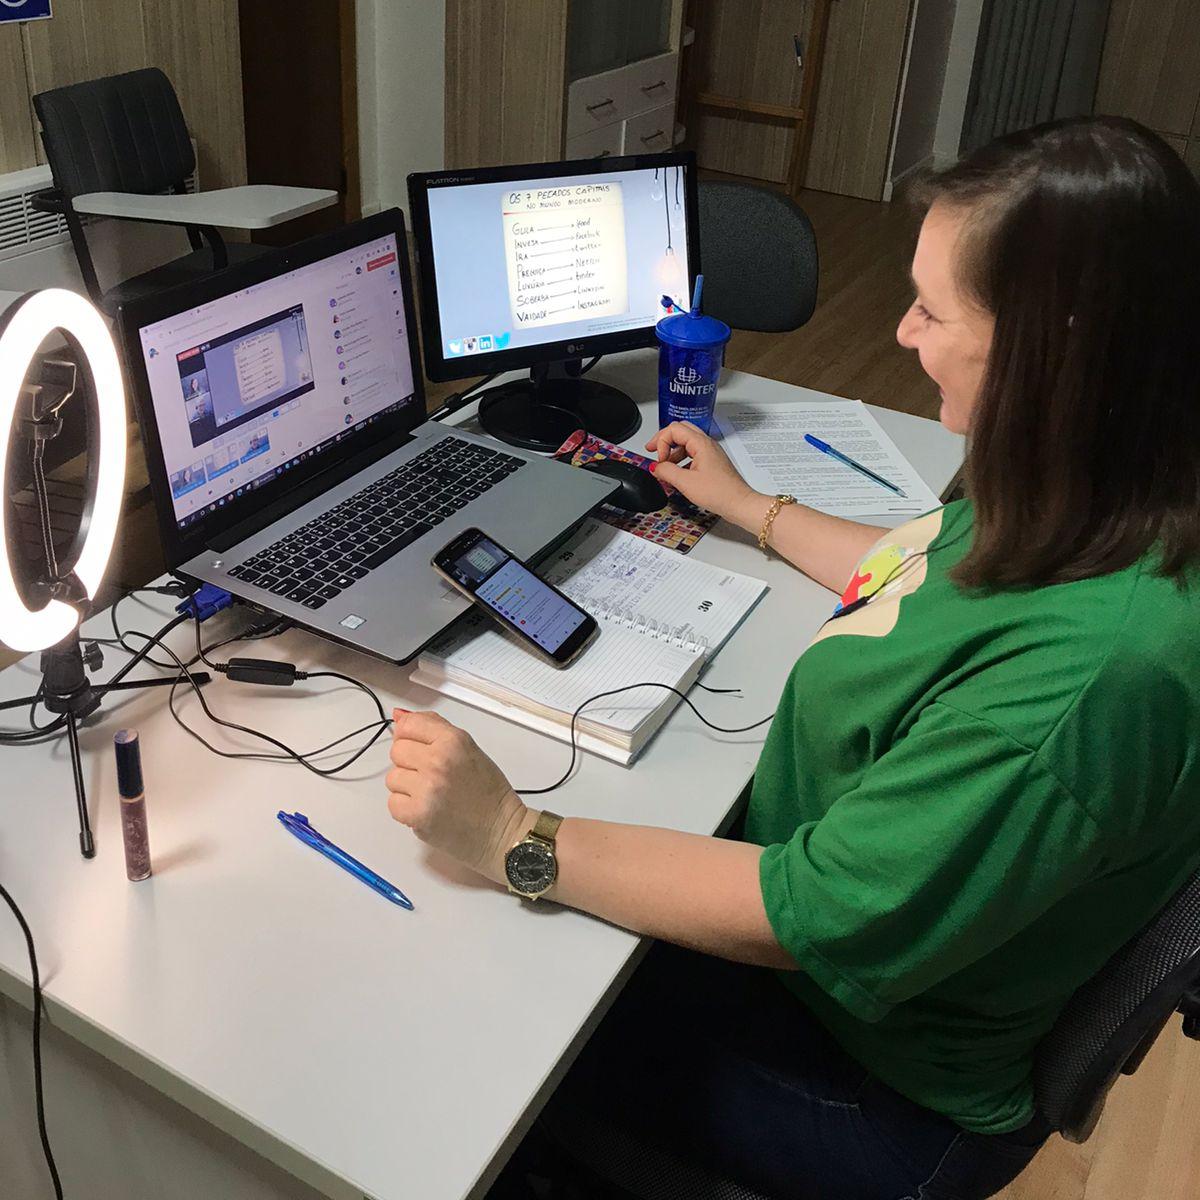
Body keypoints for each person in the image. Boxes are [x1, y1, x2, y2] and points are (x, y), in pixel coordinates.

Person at [383, 116, 1200, 1200]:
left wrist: (509, 836)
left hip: (876, 1088)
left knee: (482, 1018)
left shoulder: (1093, 681)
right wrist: (745, 505)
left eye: (932, 310)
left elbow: (800, 913)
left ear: (1055, 349)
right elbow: (917, 564)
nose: (901, 331)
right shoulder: (1100, 487)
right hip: (840, 963)